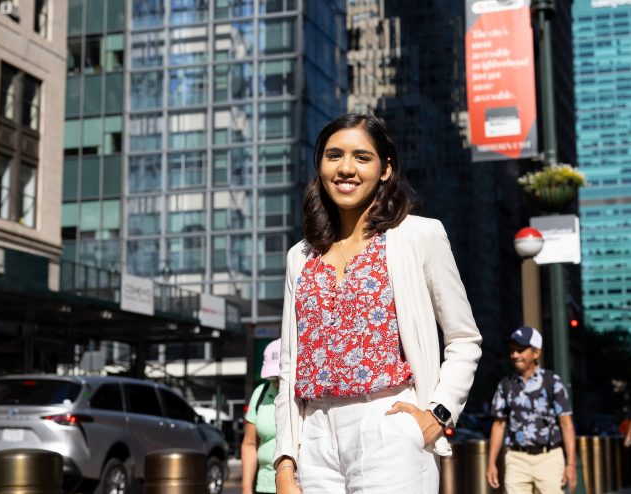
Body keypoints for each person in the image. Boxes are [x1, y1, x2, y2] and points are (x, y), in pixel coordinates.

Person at [273, 114, 483, 494]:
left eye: (362, 157)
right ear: (320, 166)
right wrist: (285, 459)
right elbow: (291, 365)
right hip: (315, 437)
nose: (346, 168)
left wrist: (437, 413)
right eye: (334, 156)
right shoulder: (300, 257)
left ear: (386, 169)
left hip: (389, 425)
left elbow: (464, 338)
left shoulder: (420, 236)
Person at [487, 326, 577, 494]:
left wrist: (571, 464)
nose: (515, 355)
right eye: (512, 350)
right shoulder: (505, 385)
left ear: (536, 353)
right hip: (516, 460)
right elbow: (498, 426)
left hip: (549, 458)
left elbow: (567, 425)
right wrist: (491, 463)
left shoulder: (552, 382)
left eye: (520, 350)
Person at [242, 338, 282, 494]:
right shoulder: (260, 393)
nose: (276, 382)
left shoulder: (305, 394)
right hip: (265, 486)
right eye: (272, 377)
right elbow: (249, 444)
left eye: (279, 377)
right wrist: (246, 489)